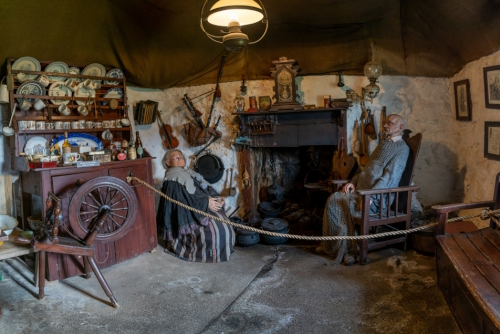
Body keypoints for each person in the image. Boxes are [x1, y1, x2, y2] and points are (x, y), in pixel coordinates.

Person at [319, 114, 410, 265]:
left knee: (342, 203)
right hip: (362, 192)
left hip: (377, 199)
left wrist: (372, 197)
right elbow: (366, 170)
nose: (386, 125)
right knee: (334, 199)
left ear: (401, 128)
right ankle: (334, 245)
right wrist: (353, 182)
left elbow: (390, 178)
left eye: (391, 123)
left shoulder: (401, 149)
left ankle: (351, 251)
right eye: (385, 122)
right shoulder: (384, 143)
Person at [156, 149, 235, 263]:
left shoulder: (189, 173)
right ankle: (208, 253)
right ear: (168, 162)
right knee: (213, 230)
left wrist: (217, 198)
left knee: (223, 222)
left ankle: (221, 250)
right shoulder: (172, 178)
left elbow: (203, 188)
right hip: (187, 215)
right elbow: (182, 200)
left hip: (200, 207)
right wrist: (206, 203)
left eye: (181, 157)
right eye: (176, 158)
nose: (180, 159)